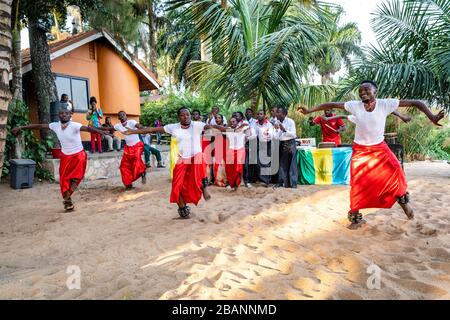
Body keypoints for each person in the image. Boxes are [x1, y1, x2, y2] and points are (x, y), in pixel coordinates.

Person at [299, 80, 445, 229]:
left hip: (380, 148)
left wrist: (432, 117)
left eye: (366, 89)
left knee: (396, 171)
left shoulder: (385, 104)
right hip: (360, 150)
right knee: (357, 182)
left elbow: (417, 103)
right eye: (360, 90)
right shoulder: (354, 105)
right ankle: (355, 219)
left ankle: (405, 205)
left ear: (376, 91)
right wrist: (309, 111)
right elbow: (330, 104)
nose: (362, 92)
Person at [123, 107, 228, 218]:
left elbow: (214, 126)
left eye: (187, 114)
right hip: (182, 159)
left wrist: (230, 129)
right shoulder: (173, 127)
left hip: (196, 157)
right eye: (182, 115)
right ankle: (183, 209)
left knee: (198, 164)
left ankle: (204, 188)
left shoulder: (197, 125)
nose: (185, 117)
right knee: (176, 185)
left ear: (190, 115)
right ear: (179, 117)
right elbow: (152, 130)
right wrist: (134, 131)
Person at [11, 108, 106, 211]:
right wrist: (21, 127)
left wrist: (101, 132)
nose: (63, 115)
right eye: (61, 113)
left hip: (79, 155)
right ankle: (67, 199)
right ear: (58, 115)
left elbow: (88, 129)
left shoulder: (75, 125)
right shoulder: (55, 125)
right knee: (63, 179)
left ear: (70, 115)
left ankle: (67, 198)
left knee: (76, 177)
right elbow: (39, 126)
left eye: (66, 113)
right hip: (65, 156)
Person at [104, 111, 147, 189]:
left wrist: (141, 127)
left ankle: (143, 172)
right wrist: (96, 127)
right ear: (119, 118)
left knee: (137, 160)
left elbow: (139, 126)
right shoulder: (118, 126)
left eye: (124, 115)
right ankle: (128, 184)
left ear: (126, 116)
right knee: (124, 166)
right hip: (128, 148)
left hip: (137, 145)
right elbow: (108, 128)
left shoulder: (132, 122)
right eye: (120, 115)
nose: (122, 116)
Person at [223, 116, 251, 191]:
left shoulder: (242, 128)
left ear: (237, 122)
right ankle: (232, 183)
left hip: (240, 149)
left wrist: (241, 127)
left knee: (239, 166)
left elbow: (248, 130)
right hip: (231, 150)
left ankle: (241, 182)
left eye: (234, 121)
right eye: (231, 122)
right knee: (231, 167)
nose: (232, 123)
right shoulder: (228, 130)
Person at [273, 106, 298, 188]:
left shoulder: (290, 121)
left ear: (284, 114)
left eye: (279, 112)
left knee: (292, 164)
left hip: (290, 143)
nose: (277, 114)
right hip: (282, 143)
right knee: (282, 164)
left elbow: (294, 134)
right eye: (277, 112)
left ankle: (293, 184)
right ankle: (283, 183)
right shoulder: (276, 123)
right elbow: (275, 136)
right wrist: (277, 130)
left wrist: (284, 130)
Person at [254, 110, 275, 187]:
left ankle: (266, 181)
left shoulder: (268, 124)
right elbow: (253, 134)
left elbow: (270, 135)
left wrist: (265, 136)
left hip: (267, 143)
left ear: (264, 115)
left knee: (266, 162)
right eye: (258, 114)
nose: (259, 115)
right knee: (258, 162)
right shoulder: (255, 124)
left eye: (261, 114)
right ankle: (264, 179)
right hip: (259, 143)